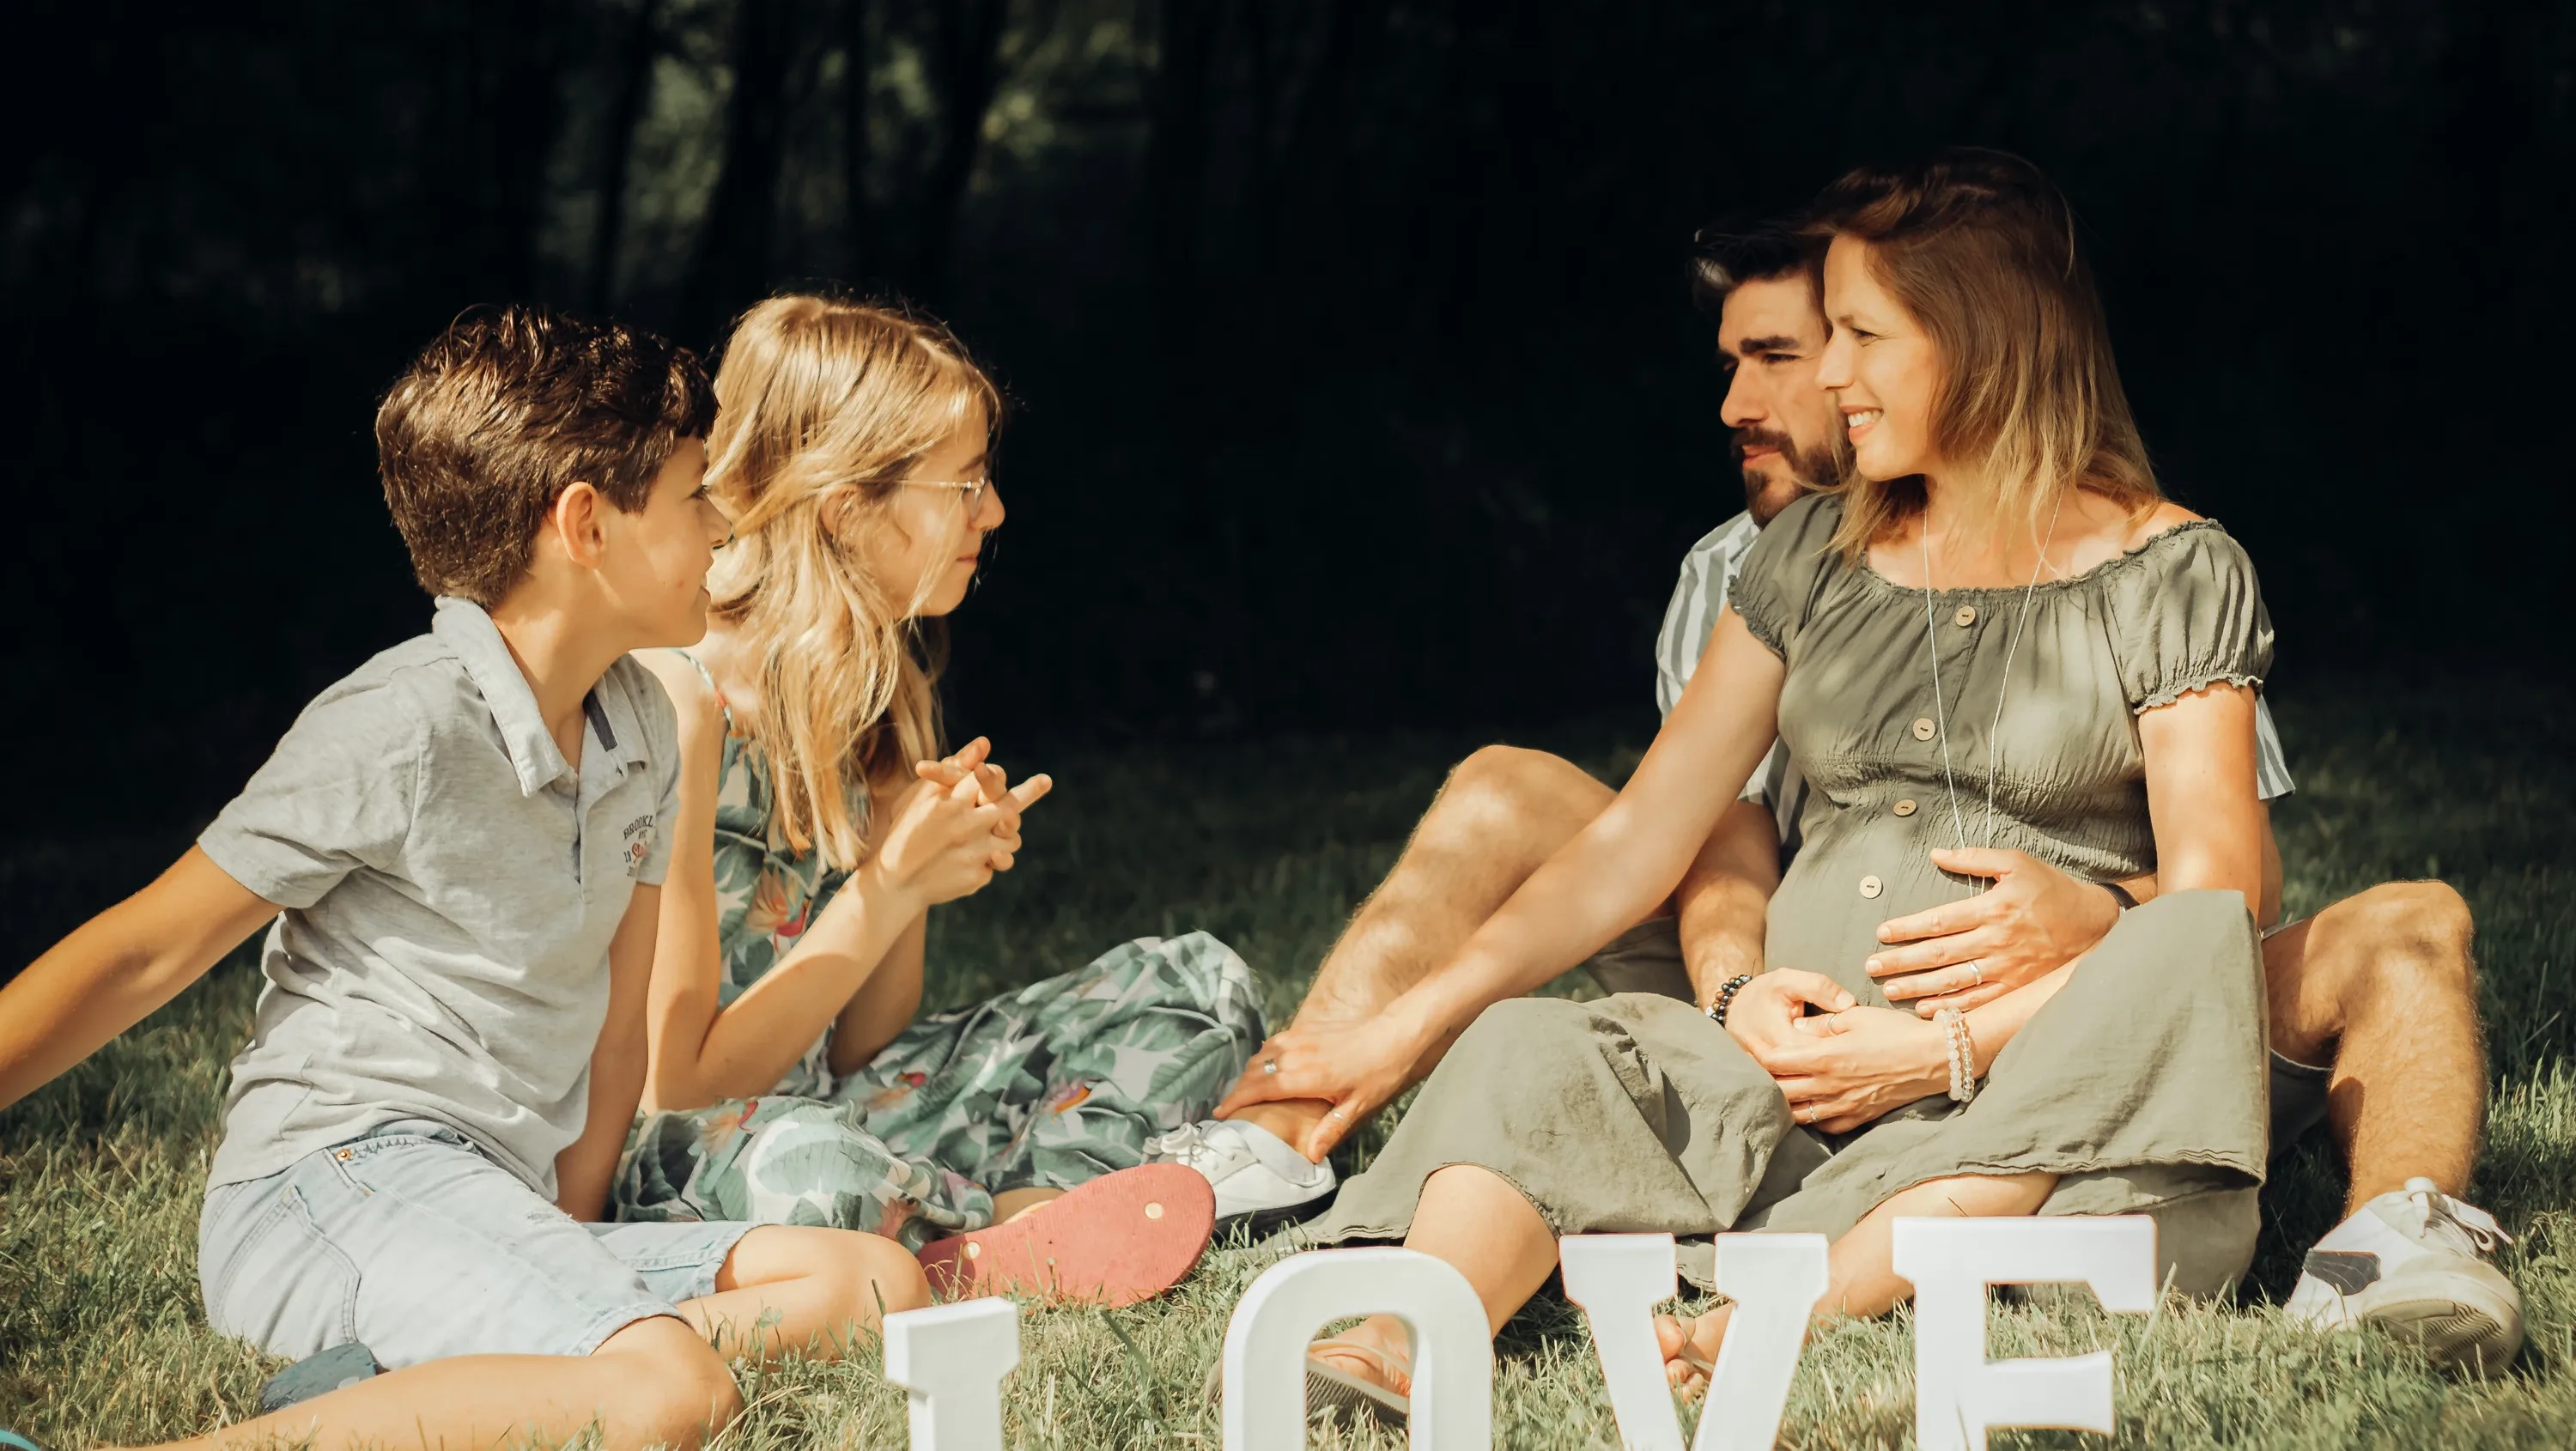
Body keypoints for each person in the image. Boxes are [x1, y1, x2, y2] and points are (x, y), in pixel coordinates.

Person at [1211, 213, 2520, 1374]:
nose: (1827, 375)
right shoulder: (1805, 557)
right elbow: (1642, 839)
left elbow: (2217, 894)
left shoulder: (2168, 567)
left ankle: (2382, 1254)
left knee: (2207, 928)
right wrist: (1413, 1028)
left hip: (2044, 1071)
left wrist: (1949, 1039)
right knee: (1535, 1042)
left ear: (1983, 343)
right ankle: (1410, 1328)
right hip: (1796, 1083)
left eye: (1858, 335)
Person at [0, 308, 931, 1450]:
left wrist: (562, 1244)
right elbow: (146, 951)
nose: (725, 518)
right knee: (669, 1393)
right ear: (586, 523)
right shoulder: (401, 724)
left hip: (492, 1197)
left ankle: (432, 1381)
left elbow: (616, 1044)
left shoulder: (641, 720)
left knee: (871, 1282)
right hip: (331, 1183)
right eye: (696, 496)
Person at [610, 294, 1268, 1293]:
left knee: (1198, 984)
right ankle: (1035, 1211)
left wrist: (913, 876)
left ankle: (996, 1221)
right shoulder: (682, 698)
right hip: (688, 1147)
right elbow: (678, 1085)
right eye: (962, 485)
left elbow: (867, 1042)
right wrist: (885, 887)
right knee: (813, 1173)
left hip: (838, 1099)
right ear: (846, 507)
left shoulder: (881, 682)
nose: (992, 512)